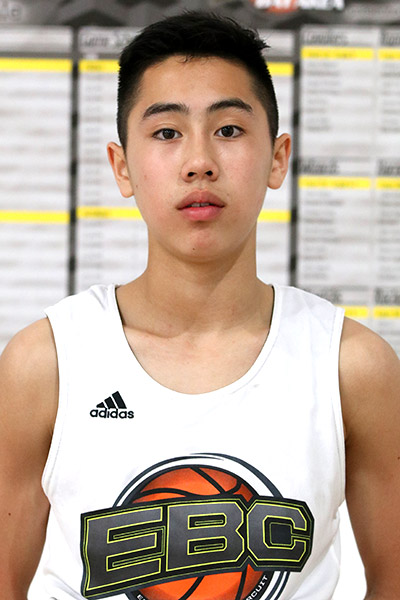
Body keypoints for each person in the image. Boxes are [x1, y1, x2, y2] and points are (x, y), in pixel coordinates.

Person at [1, 11, 399, 600]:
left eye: (229, 130)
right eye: (167, 133)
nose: (199, 162)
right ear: (122, 167)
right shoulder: (46, 363)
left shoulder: (351, 366)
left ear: (277, 158)